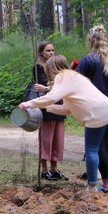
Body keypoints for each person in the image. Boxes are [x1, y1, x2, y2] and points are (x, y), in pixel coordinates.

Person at [19, 55, 108, 196]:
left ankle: (92, 187)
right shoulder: (75, 77)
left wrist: (30, 103)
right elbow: (66, 109)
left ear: (52, 69)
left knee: (91, 149)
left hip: (95, 114)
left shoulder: (62, 77)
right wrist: (45, 108)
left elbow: (52, 97)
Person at [77, 24, 108, 193]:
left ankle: (92, 185)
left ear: (91, 40)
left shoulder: (87, 60)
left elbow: (78, 84)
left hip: (97, 106)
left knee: (92, 148)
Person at [32, 41, 68, 181]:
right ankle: (44, 169)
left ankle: (54, 168)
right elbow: (42, 84)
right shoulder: (38, 67)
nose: (51, 53)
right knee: (46, 138)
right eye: (48, 51)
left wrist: (52, 85)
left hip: (59, 104)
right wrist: (52, 85)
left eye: (53, 50)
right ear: (41, 52)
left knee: (58, 138)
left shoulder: (56, 66)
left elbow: (60, 83)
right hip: (46, 106)